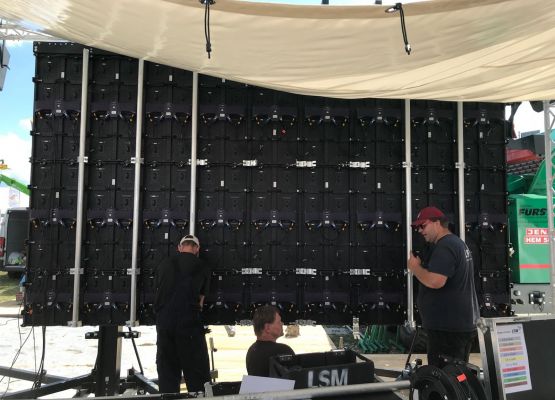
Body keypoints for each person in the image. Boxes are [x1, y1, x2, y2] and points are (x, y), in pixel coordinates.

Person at [407, 206, 480, 368]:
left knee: (445, 377)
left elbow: (436, 281)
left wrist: (415, 268)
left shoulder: (445, 246)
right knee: (456, 374)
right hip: (455, 327)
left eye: (423, 225)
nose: (420, 230)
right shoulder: (457, 244)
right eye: (418, 227)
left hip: (448, 330)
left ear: (437, 223)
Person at [155, 234, 211, 393]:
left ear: (180, 247)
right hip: (188, 326)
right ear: (197, 249)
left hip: (164, 324)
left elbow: (159, 289)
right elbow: (201, 302)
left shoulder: (164, 264)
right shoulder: (203, 266)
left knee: (167, 371)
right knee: (196, 374)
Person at [246, 305, 295, 377]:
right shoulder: (283, 350)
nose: (282, 324)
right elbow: (296, 377)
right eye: (279, 322)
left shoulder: (252, 350)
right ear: (267, 328)